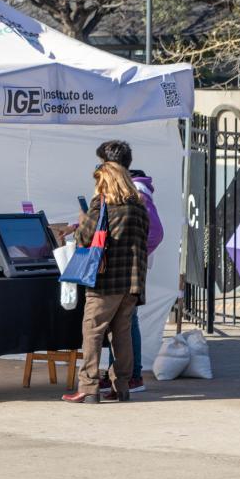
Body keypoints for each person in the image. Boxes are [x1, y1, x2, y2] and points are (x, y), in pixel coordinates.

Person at [62, 161, 149, 403]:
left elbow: (85, 238)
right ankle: (121, 386)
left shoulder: (101, 205)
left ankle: (88, 387)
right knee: (122, 335)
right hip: (132, 281)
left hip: (105, 281)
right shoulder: (139, 207)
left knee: (92, 331)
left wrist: (82, 219)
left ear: (106, 181)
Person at [95, 140, 163, 394]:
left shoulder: (137, 192)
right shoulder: (127, 188)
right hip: (125, 264)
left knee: (126, 321)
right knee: (121, 321)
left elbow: (155, 232)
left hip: (128, 266)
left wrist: (133, 252)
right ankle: (120, 374)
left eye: (103, 163)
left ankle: (132, 376)